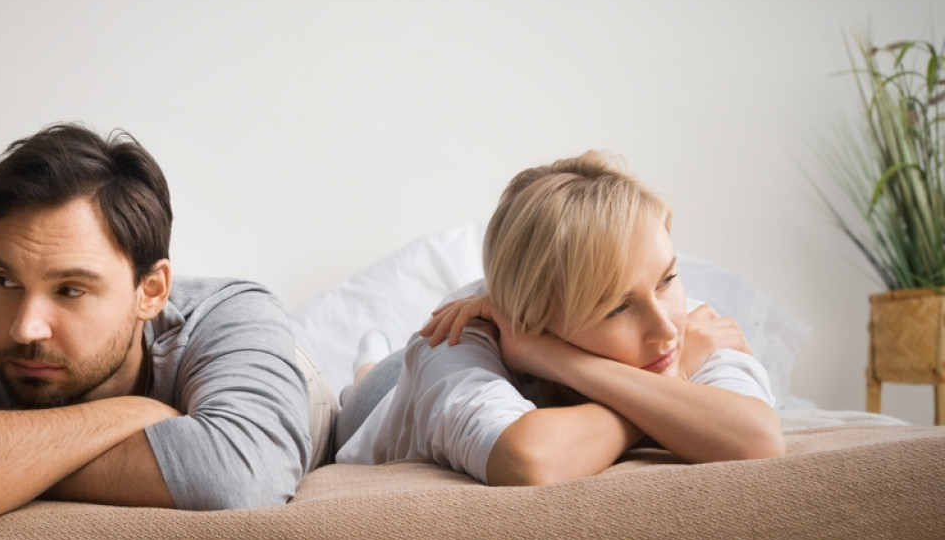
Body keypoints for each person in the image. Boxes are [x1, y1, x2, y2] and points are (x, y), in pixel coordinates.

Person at [0, 123, 324, 540]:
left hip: (318, 398)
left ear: (151, 291)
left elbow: (241, 477)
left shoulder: (231, 313)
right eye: (6, 282)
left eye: (70, 290)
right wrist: (131, 414)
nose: (24, 326)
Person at [334, 150, 785, 485]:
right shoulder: (459, 341)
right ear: (535, 320)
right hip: (383, 399)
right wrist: (678, 377)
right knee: (365, 384)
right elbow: (529, 459)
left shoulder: (686, 323)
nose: (667, 330)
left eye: (667, 280)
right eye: (616, 308)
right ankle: (366, 364)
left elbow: (757, 439)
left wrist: (550, 357)